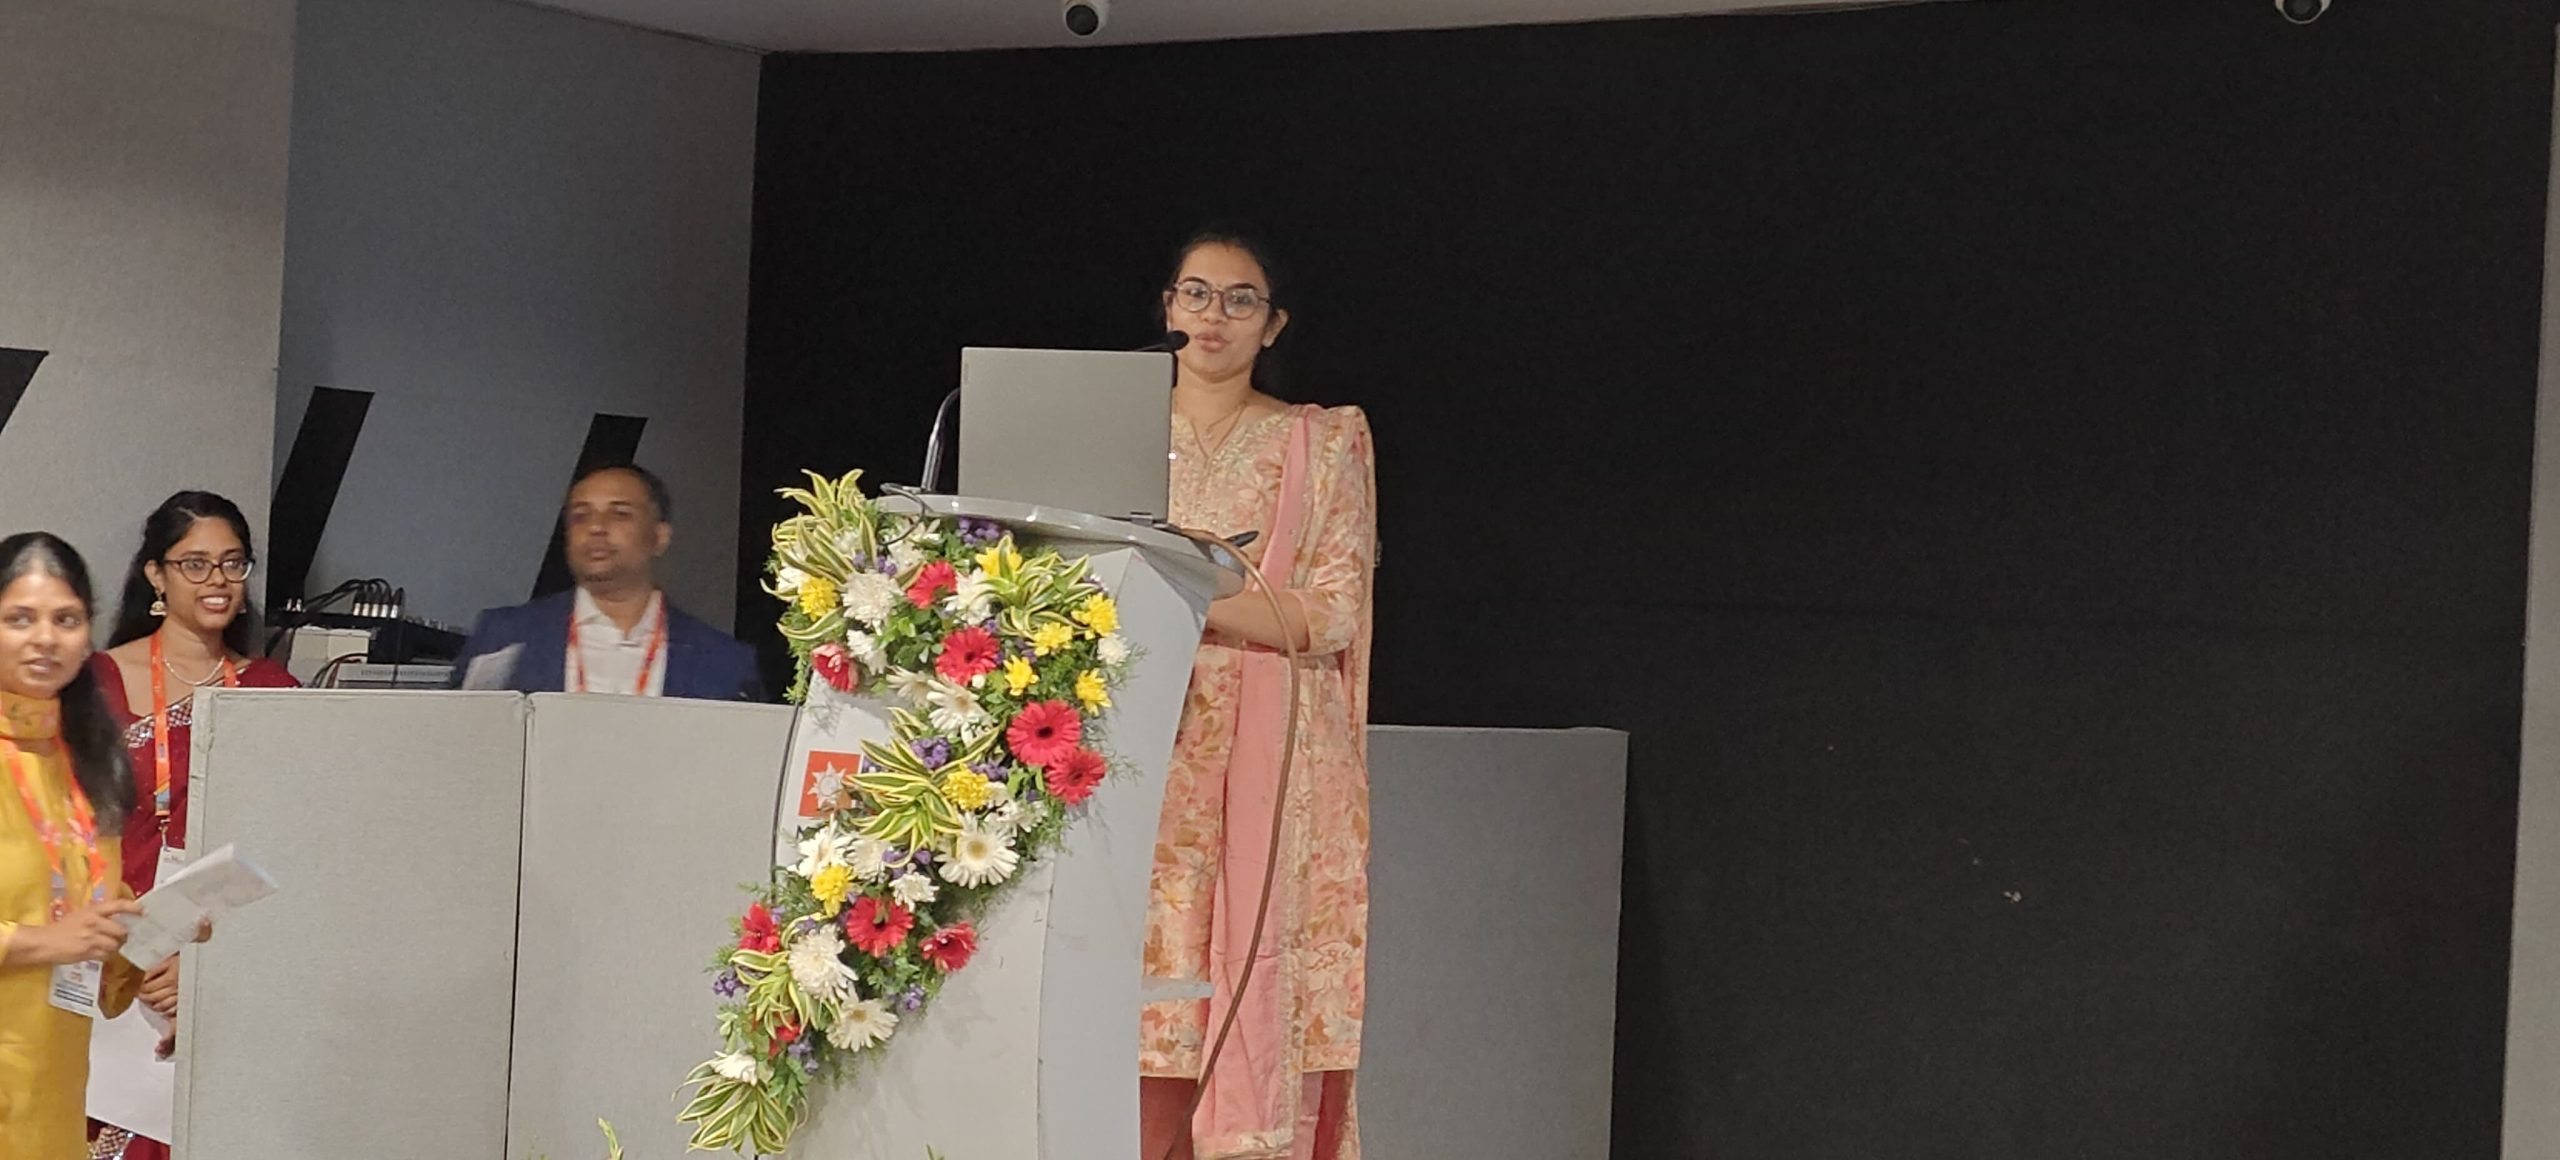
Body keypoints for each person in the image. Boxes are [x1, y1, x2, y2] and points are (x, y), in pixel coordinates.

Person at [1140, 227, 1378, 1160]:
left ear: (1273, 325)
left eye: (1241, 300)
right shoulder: (1108, 433)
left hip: (1269, 760)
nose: (1215, 316)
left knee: (1247, 970)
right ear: (1167, 307)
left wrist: (1179, 598)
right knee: (1130, 982)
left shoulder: (1318, 442)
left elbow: (1332, 613)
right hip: (1133, 744)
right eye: (1196, 293)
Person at [86, 493, 296, 1160]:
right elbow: (61, 835)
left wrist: (208, 968)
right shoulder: (93, 685)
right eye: (195, 564)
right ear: (156, 574)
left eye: (234, 563)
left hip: (226, 967)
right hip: (106, 958)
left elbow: (291, 852)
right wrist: (137, 954)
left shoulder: (276, 693)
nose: (218, 581)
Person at [0, 533, 155, 1157]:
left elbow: (89, 916)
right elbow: (57, 931)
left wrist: (153, 932)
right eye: (20, 619)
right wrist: (45, 941)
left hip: (53, 1085)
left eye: (65, 620)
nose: (45, 638)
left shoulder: (87, 762)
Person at [447, 462, 763, 701]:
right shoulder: (504, 637)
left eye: (619, 514)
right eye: (580, 516)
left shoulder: (724, 663)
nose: (596, 527)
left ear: (660, 536)